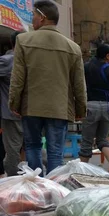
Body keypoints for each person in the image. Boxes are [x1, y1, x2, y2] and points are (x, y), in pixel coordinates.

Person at [9, 0, 86, 175]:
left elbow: (18, 78)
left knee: (33, 147)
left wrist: (14, 103)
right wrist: (80, 108)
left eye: (34, 15)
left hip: (31, 107)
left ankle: (38, 190)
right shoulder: (73, 47)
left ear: (42, 18)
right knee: (55, 152)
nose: (32, 19)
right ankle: (54, 192)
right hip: (59, 108)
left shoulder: (23, 40)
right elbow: (79, 83)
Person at [79, 44, 109, 174]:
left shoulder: (85, 67)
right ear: (107, 56)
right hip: (108, 107)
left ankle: (81, 171)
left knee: (87, 141)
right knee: (102, 139)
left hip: (91, 106)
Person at [0, 31, 23, 177]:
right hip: (11, 115)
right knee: (13, 151)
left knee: (29, 149)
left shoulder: (29, 59)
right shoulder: (8, 60)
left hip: (29, 114)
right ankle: (14, 183)